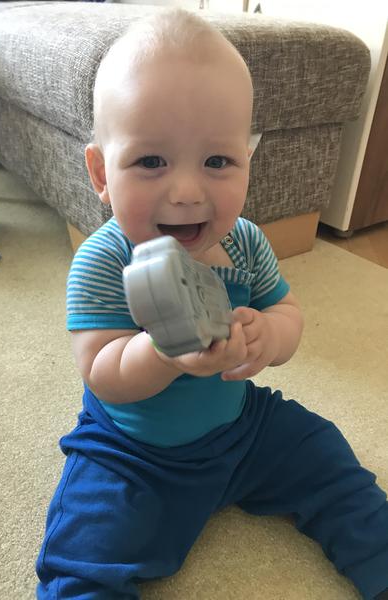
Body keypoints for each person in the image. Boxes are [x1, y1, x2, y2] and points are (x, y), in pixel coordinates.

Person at [36, 9, 388, 600]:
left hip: (241, 429)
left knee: (325, 454)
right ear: (101, 172)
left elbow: (287, 313)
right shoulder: (104, 260)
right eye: (151, 162)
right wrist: (164, 353)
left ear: (248, 160)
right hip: (133, 452)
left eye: (217, 162)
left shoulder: (246, 243)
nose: (186, 191)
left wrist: (268, 337)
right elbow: (101, 372)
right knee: (85, 549)